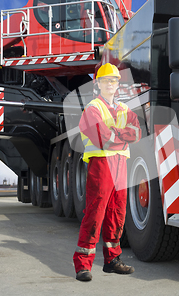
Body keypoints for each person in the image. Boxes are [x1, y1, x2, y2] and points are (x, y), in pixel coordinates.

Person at [73, 62, 141, 282]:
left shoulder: (124, 109)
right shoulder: (92, 108)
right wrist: (121, 136)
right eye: (106, 81)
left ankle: (112, 260)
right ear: (98, 84)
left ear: (117, 84)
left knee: (117, 213)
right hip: (101, 165)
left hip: (121, 164)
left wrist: (115, 135)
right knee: (95, 213)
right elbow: (100, 137)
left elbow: (137, 132)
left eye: (114, 81)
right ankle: (83, 265)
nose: (111, 84)